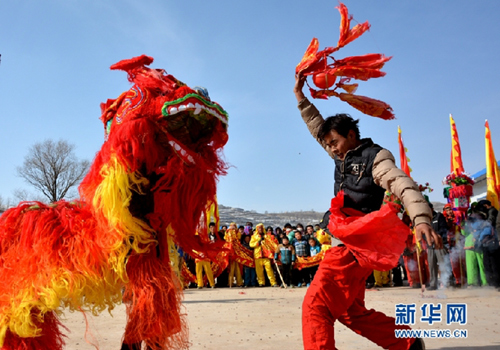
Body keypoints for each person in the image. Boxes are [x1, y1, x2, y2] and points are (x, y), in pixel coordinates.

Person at [294, 72, 439, 350]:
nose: (331, 149)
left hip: (355, 244)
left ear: (351, 135)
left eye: (334, 142)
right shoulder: (340, 155)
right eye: (328, 145)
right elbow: (316, 127)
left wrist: (421, 219)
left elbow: (401, 183)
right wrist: (300, 96)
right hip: (346, 241)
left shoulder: (376, 158)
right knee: (350, 311)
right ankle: (407, 342)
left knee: (316, 305)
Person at [427, 202, 451, 290]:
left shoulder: (439, 216)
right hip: (430, 245)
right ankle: (433, 284)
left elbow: (443, 228)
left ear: (432, 209)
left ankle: (447, 282)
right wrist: (428, 238)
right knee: (432, 265)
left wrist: (436, 236)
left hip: (440, 244)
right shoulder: (425, 219)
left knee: (443, 263)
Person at [249, 223, 279, 287]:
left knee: (269, 270)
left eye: (261, 228)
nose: (260, 229)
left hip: (266, 255)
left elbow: (272, 244)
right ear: (257, 229)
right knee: (259, 271)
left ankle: (273, 282)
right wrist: (258, 243)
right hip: (258, 256)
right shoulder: (254, 236)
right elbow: (251, 244)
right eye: (259, 228)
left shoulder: (267, 236)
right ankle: (261, 283)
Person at [225, 222, 244, 288]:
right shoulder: (228, 232)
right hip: (231, 252)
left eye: (234, 226)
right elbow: (226, 239)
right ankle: (230, 282)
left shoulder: (237, 232)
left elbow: (239, 237)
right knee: (231, 269)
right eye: (231, 226)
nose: (233, 227)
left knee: (237, 269)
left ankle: (239, 282)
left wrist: (235, 231)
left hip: (237, 253)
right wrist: (228, 231)